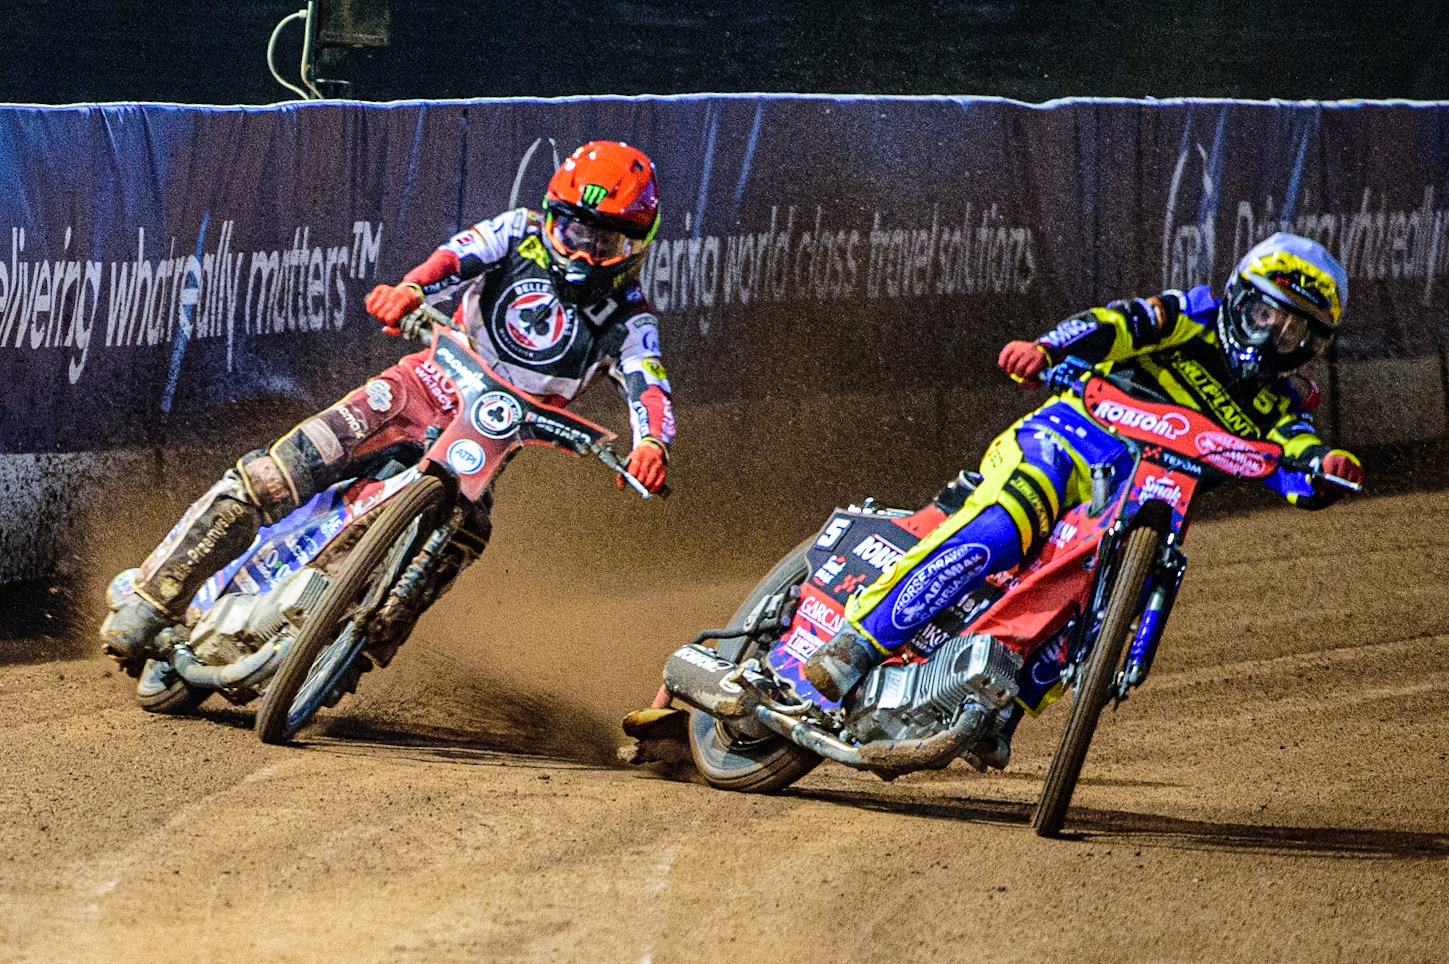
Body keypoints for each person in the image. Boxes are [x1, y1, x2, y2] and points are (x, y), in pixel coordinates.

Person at [101, 140, 675, 663]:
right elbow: (456, 257)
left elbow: (648, 382)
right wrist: (411, 289)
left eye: (606, 242)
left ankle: (349, 650)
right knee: (278, 475)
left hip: (483, 447)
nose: (583, 254)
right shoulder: (519, 231)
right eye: (573, 233)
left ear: (636, 247)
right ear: (551, 220)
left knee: (464, 538)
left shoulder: (630, 316)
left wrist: (652, 442)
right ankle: (153, 598)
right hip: (416, 390)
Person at [803, 232, 1363, 764]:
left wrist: (1324, 469)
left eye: (1294, 334)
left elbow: (1299, 454)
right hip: (1071, 439)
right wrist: (1045, 350)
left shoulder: (1285, 402)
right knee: (1007, 525)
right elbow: (1114, 324)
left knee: (1098, 595)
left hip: (1142, 496)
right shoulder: (1191, 315)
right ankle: (858, 646)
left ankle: (999, 713)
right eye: (1266, 316)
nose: (1272, 337)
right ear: (1240, 297)